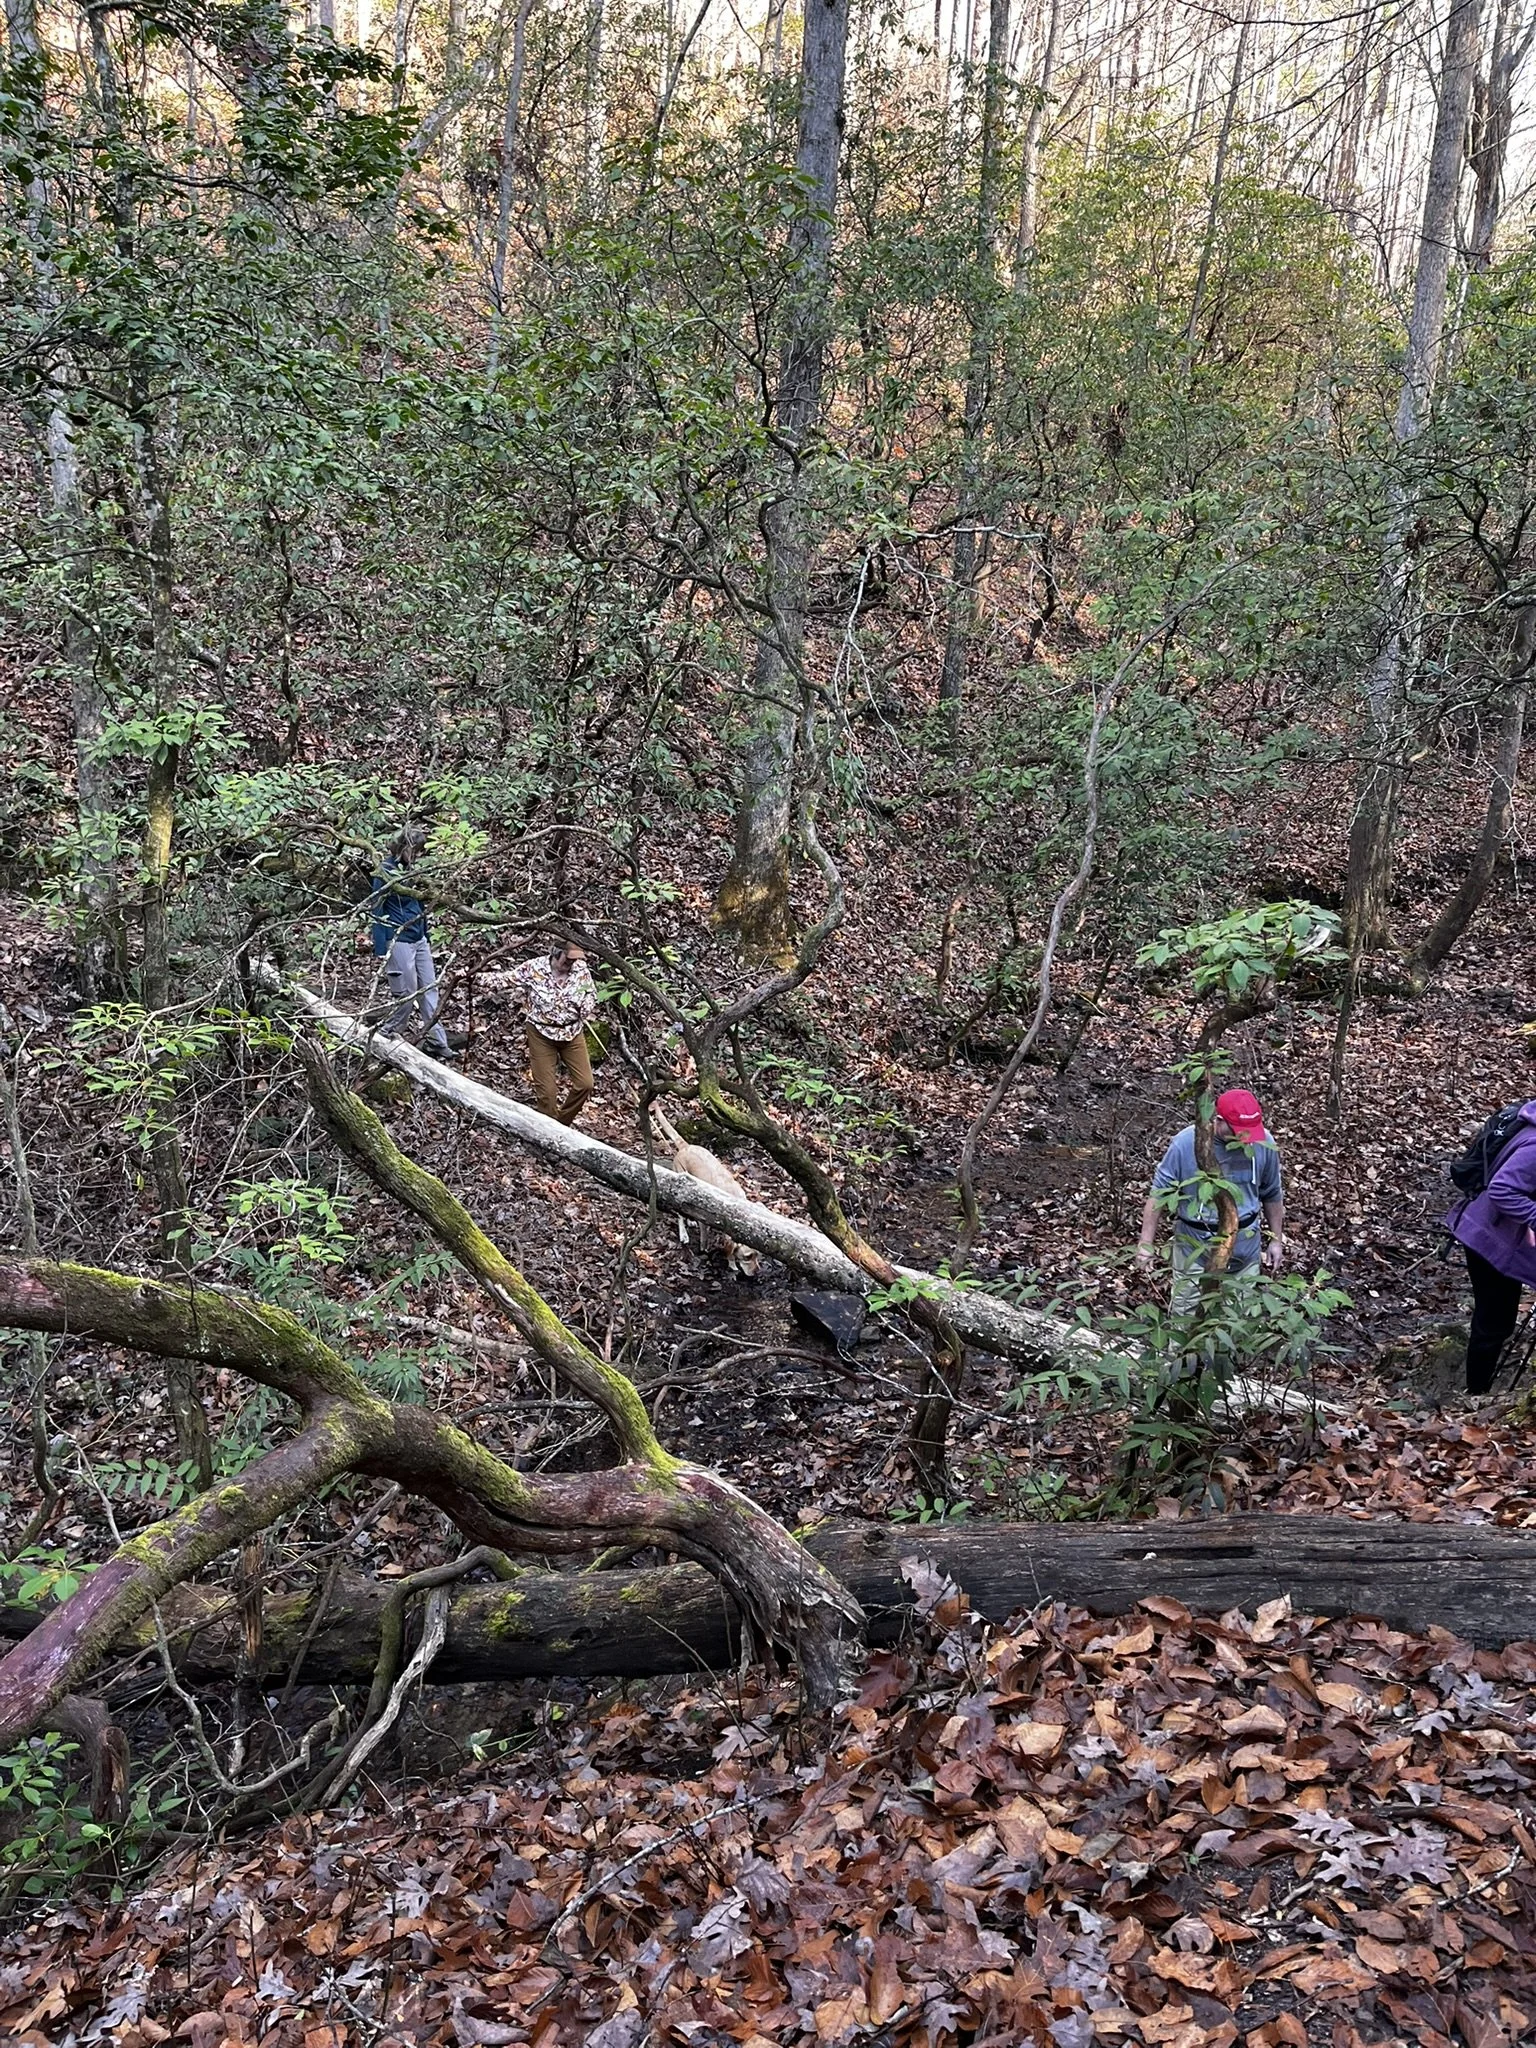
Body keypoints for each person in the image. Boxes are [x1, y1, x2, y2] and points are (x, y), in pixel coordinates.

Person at [1135, 1088, 1285, 1311]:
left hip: (1245, 1249)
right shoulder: (1186, 1143)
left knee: (1241, 1320)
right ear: (1218, 1120)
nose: (1245, 1138)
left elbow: (1272, 1192)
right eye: (1239, 1130)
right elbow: (1159, 1194)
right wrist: (1146, 1244)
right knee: (1186, 1314)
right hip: (1195, 1247)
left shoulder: (1263, 1142)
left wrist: (1276, 1239)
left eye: (1250, 1131)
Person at [1446, 1099, 1536, 1396]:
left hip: (1489, 1229)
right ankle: (1475, 1395)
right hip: (1488, 1237)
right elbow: (1502, 1188)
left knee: (1494, 1319)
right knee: (1494, 1321)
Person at [367, 824, 453, 1058]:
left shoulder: (414, 871)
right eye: (414, 851)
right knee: (406, 993)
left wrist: (425, 933)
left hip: (419, 937)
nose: (417, 856)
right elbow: (377, 908)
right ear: (403, 847)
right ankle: (387, 1033)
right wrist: (382, 948)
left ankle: (437, 1041)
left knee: (429, 989)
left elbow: (421, 902)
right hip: (399, 939)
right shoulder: (385, 870)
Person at [499, 941, 599, 1125]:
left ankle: (561, 1124)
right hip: (541, 1032)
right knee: (547, 1093)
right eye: (568, 959)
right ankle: (548, 1130)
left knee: (585, 1083)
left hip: (572, 1032)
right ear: (556, 953)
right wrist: (472, 976)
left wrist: (586, 1006)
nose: (571, 963)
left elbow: (590, 993)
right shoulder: (534, 968)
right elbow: (504, 980)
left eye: (575, 960)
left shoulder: (581, 969)